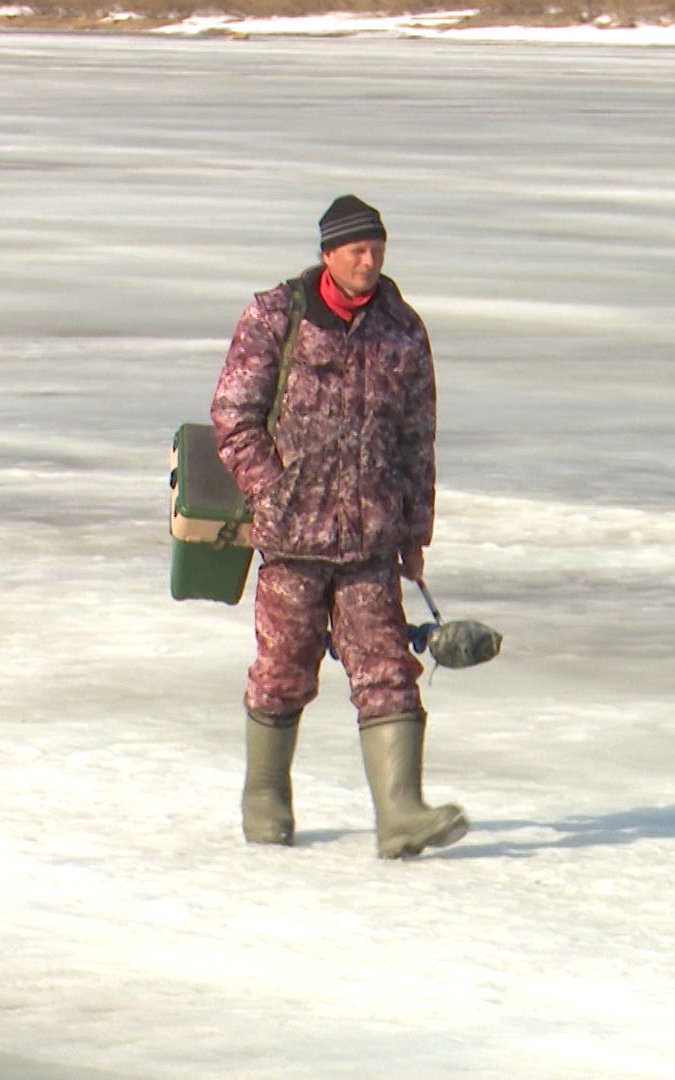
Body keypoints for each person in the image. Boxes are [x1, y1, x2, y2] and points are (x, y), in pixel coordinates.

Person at [210, 195, 468, 859]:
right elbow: (233, 416)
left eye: (377, 249)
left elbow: (417, 438)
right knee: (282, 670)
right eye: (357, 250)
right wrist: (272, 490)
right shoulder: (277, 317)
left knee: (388, 671)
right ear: (328, 253)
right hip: (292, 537)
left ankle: (401, 814)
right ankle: (265, 799)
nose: (369, 261)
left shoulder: (402, 329)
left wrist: (415, 532)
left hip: (371, 538)